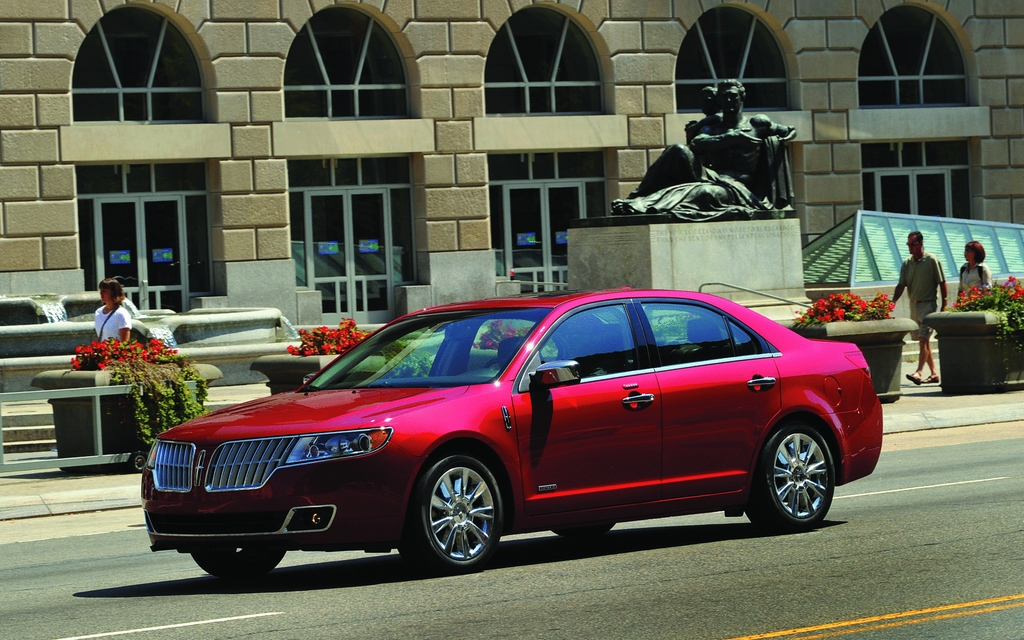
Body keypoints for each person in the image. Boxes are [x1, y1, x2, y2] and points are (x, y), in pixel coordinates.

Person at [611, 79, 795, 221]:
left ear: (742, 97)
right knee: (676, 150)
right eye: (724, 97)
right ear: (719, 101)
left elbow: (788, 132)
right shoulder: (713, 127)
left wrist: (778, 137)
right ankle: (637, 198)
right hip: (713, 177)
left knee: (702, 193)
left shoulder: (756, 123)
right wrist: (733, 138)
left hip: (739, 188)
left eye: (733, 96)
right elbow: (697, 145)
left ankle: (641, 206)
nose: (729, 100)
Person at [893, 231, 947, 385]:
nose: (909, 247)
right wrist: (893, 301)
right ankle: (934, 373)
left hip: (928, 305)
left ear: (920, 243)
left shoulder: (931, 260)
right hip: (913, 305)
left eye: (912, 244)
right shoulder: (907, 263)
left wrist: (943, 305)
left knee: (923, 339)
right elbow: (901, 284)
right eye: (908, 244)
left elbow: (942, 283)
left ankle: (919, 372)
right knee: (924, 341)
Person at [95, 278, 132, 342]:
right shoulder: (98, 312)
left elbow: (125, 343)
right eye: (100, 290)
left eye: (104, 291)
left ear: (113, 292)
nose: (101, 294)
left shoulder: (121, 314)